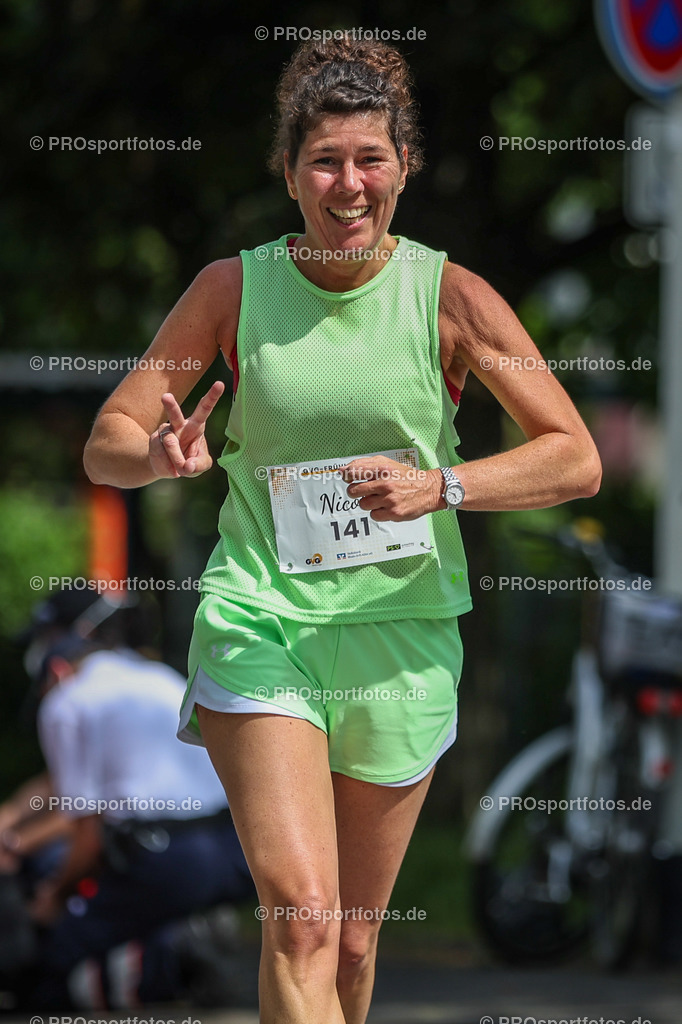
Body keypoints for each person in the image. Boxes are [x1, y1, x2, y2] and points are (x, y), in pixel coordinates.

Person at [83, 34, 601, 1024]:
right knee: (306, 915)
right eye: (324, 160)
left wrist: (440, 486)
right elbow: (110, 434)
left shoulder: (451, 297)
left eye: (370, 158)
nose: (348, 182)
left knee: (356, 941)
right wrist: (154, 454)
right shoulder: (230, 291)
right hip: (261, 619)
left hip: (399, 637)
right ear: (289, 175)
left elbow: (571, 455)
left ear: (403, 167)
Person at [22, 622, 254, 1009]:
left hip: (169, 854)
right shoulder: (157, 675)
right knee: (139, 905)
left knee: (54, 958)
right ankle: (183, 935)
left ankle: (176, 955)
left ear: (57, 671)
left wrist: (51, 900)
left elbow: (87, 834)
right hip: (235, 847)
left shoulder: (67, 700)